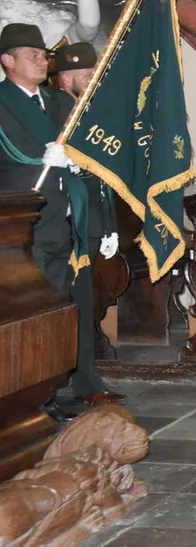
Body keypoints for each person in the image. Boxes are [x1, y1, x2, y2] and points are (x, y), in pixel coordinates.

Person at [0, 25, 125, 419]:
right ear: (8, 61)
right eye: (32, 54)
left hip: (72, 220)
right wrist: (41, 160)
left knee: (79, 306)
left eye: (43, 53)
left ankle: (86, 382)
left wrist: (104, 223)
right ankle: (41, 394)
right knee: (43, 314)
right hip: (27, 226)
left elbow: (88, 162)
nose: (42, 59)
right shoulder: (1, 102)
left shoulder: (59, 100)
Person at [51, 43, 119, 274]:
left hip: (92, 214)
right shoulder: (60, 109)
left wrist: (108, 224)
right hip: (72, 217)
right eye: (88, 75)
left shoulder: (87, 111)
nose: (95, 80)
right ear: (66, 80)